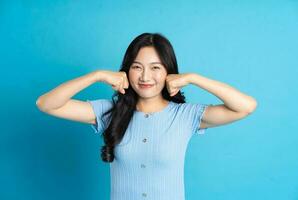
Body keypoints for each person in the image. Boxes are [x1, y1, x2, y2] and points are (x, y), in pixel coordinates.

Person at [36, 32, 257, 200]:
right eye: (137, 67)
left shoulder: (186, 115)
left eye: (155, 68)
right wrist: (97, 76)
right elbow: (46, 104)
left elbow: (245, 106)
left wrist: (193, 78)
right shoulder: (109, 112)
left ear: (168, 72)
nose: (145, 77)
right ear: (126, 70)